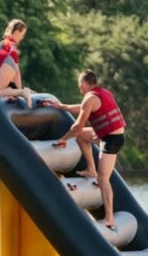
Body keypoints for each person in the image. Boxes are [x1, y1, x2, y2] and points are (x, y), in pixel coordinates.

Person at [43, 71, 126, 229]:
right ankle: (90, 169)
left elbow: (77, 126)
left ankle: (109, 218)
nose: (79, 87)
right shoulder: (101, 93)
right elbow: (81, 109)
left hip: (112, 140)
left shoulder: (90, 98)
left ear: (84, 83)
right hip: (107, 135)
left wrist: (63, 139)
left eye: (80, 84)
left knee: (103, 179)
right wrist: (61, 107)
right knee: (81, 136)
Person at [0, 19, 27, 88]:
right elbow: (16, 71)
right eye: (22, 35)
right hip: (1, 82)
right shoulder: (11, 46)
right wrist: (19, 89)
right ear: (16, 32)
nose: (22, 38)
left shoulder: (2, 43)